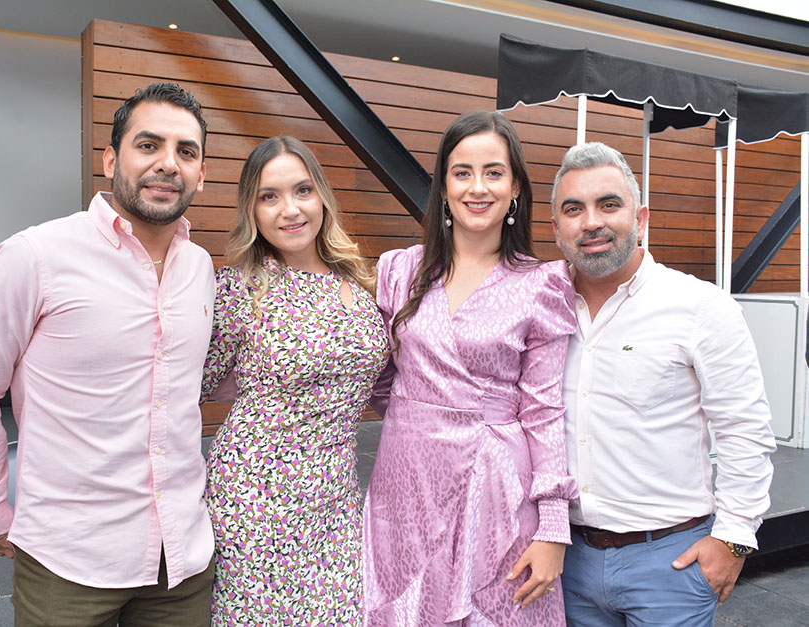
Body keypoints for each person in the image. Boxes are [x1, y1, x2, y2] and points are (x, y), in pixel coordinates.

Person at [0, 82, 216, 626]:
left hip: (180, 558)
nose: (168, 163)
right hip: (69, 559)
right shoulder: (35, 256)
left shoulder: (201, 268)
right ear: (111, 158)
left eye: (186, 151)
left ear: (201, 175)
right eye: (148, 145)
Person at [362, 111, 578, 626]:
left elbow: (544, 413)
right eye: (462, 173)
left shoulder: (542, 284)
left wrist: (552, 529)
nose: (477, 188)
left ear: (516, 187)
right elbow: (377, 377)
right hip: (403, 486)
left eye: (493, 172)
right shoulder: (399, 270)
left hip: (493, 491)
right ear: (443, 186)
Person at [550, 141, 777, 627]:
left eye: (609, 204)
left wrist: (734, 540)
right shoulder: (539, 310)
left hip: (670, 561)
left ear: (641, 217)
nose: (591, 221)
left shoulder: (700, 307)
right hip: (565, 560)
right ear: (557, 229)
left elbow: (744, 430)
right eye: (574, 209)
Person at [200, 136, 388, 626]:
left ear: (322, 196)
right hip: (254, 498)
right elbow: (189, 387)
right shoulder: (241, 285)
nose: (290, 210)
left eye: (302, 190)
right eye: (269, 196)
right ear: (252, 210)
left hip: (335, 497)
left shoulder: (359, 280)